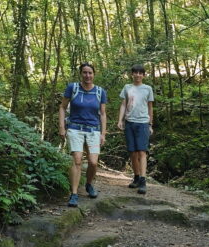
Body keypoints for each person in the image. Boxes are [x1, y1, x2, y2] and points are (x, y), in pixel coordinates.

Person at [58, 63, 107, 207]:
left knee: (93, 162)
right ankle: (73, 194)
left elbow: (103, 114)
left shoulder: (100, 91)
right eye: (85, 73)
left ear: (94, 74)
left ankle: (89, 184)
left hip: (93, 130)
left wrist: (103, 133)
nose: (87, 76)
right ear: (81, 74)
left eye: (90, 73)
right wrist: (62, 127)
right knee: (77, 160)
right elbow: (62, 107)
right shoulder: (72, 88)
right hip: (75, 128)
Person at [117, 64, 154, 195]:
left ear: (143, 75)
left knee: (142, 152)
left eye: (140, 73)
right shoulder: (127, 87)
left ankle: (143, 181)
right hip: (129, 122)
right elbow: (123, 104)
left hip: (143, 123)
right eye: (135, 72)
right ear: (132, 74)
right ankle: (137, 177)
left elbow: (150, 107)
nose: (138, 75)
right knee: (132, 152)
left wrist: (150, 124)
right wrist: (120, 120)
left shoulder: (148, 88)